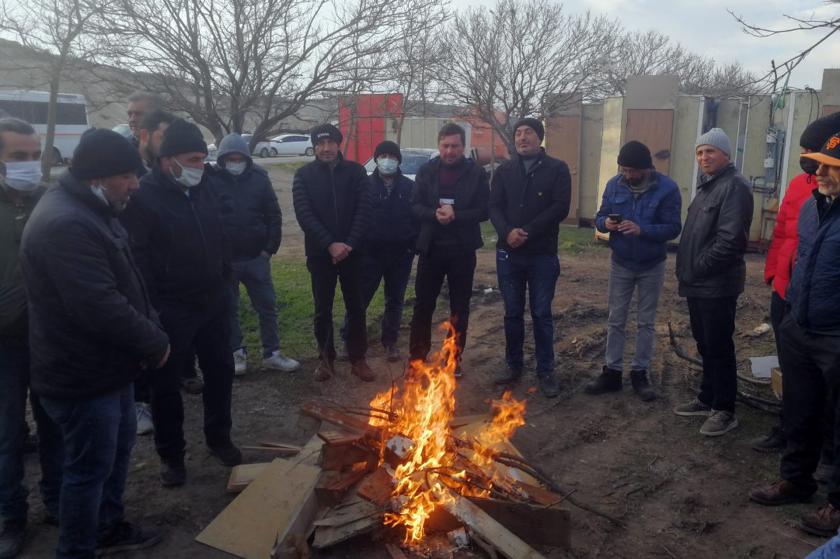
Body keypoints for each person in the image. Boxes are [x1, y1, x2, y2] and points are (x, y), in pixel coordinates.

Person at [20, 128, 170, 557]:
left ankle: (108, 527)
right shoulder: (65, 223)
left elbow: (128, 283)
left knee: (115, 453)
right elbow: (98, 305)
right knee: (87, 471)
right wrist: (154, 341)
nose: (135, 185)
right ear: (97, 176)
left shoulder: (94, 208)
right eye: (127, 176)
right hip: (81, 375)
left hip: (109, 368)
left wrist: (150, 328)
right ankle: (78, 548)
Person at [120, 119, 241, 488]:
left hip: (214, 300)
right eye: (192, 159)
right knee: (166, 384)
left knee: (220, 370)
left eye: (203, 158)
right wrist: (153, 309)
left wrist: (225, 277)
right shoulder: (143, 198)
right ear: (167, 159)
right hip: (171, 306)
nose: (199, 166)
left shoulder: (205, 187)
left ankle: (219, 437)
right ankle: (171, 456)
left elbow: (221, 236)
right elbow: (137, 259)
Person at [749, 132, 840, 538]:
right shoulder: (811, 208)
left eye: (831, 166)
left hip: (835, 335)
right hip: (799, 326)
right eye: (820, 163)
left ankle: (837, 504)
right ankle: (796, 481)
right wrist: (789, 317)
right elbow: (801, 260)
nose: (818, 172)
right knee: (799, 411)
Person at [0, 118, 62, 558]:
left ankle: (59, 501)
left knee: (55, 425)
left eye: (33, 155)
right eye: (16, 157)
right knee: (5, 435)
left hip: (50, 336)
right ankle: (11, 517)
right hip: (2, 343)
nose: (27, 165)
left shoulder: (51, 200)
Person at [585, 140, 682, 401]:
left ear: (646, 168)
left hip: (652, 264)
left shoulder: (667, 189)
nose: (628, 175)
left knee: (645, 321)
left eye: (632, 171)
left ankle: (640, 373)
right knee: (616, 318)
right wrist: (604, 223)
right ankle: (612, 372)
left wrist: (643, 230)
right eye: (624, 170)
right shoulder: (614, 185)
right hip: (621, 262)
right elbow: (599, 217)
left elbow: (674, 228)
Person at [673, 127, 753, 436]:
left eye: (711, 151)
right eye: (700, 152)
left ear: (726, 155)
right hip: (699, 283)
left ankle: (724, 409)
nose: (704, 157)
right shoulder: (709, 186)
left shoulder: (734, 187)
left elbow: (730, 241)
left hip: (716, 284)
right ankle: (708, 398)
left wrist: (696, 269)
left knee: (719, 346)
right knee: (705, 343)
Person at [489, 118, 571, 397]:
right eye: (519, 133)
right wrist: (507, 231)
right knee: (512, 313)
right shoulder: (504, 171)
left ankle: (546, 370)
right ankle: (513, 365)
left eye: (529, 133)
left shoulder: (557, 170)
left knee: (541, 313)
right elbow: (494, 206)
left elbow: (560, 207)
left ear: (540, 138)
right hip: (508, 254)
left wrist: (528, 231)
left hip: (541, 254)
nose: (523, 138)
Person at [208, 133, 299, 375]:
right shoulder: (211, 180)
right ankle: (237, 353)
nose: (235, 163)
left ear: (247, 158)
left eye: (240, 158)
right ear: (223, 159)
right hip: (226, 260)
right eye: (231, 158)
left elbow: (273, 215)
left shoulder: (260, 178)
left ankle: (272, 353)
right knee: (229, 308)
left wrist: (268, 250)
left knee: (267, 306)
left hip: (256, 258)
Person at [292, 124, 375, 382]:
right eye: (320, 143)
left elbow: (365, 209)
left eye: (330, 143)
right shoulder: (303, 175)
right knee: (322, 308)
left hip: (353, 252)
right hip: (320, 253)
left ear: (339, 144)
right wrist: (330, 244)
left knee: (356, 306)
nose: (326, 148)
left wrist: (348, 243)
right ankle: (326, 359)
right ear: (314, 146)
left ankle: (358, 358)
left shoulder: (356, 172)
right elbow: (304, 214)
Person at [409, 123, 489, 377]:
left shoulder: (476, 173)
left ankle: (452, 359)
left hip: (462, 250)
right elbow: (414, 206)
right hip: (431, 248)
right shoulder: (426, 171)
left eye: (455, 146)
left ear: (463, 147)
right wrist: (434, 214)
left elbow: (484, 210)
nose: (450, 151)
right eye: (445, 146)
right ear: (438, 146)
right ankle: (417, 358)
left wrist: (458, 215)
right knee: (423, 305)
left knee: (459, 307)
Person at [339, 140, 417, 362]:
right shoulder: (364, 185)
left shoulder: (408, 187)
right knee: (359, 299)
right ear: (376, 159)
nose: (388, 161)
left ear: (398, 160)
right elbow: (355, 218)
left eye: (392, 157)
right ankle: (348, 340)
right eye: (383, 156)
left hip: (400, 255)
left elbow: (416, 218)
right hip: (369, 254)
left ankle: (390, 343)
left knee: (395, 301)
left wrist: (412, 245)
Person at [136, 110, 176, 176]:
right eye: (165, 139)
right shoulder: (122, 168)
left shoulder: (171, 173)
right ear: (144, 136)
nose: (170, 146)